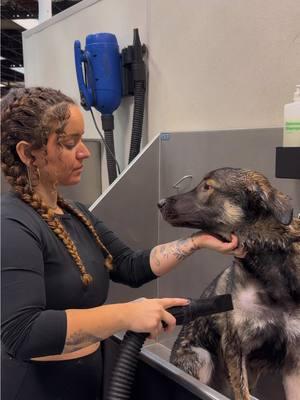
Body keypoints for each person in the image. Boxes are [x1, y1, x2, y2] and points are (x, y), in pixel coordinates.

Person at [1, 87, 245, 400]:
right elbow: (24, 331)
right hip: (37, 387)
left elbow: (131, 266)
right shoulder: (11, 224)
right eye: (69, 143)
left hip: (88, 376)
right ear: (28, 153)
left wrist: (196, 242)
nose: (84, 152)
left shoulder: (77, 214)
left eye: (82, 140)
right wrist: (126, 315)